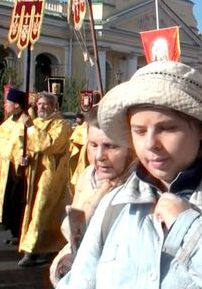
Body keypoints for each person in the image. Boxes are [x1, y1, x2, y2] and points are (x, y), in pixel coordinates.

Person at [56, 61, 202, 288]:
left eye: (166, 128)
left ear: (200, 128)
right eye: (139, 131)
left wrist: (189, 228)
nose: (150, 144)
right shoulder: (114, 204)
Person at [50, 107, 135, 285]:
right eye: (93, 145)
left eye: (110, 146)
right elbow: (76, 237)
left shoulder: (135, 190)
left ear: (130, 147)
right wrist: (65, 260)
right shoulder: (88, 175)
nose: (99, 156)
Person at [16, 92, 72, 267]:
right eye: (39, 104)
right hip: (33, 172)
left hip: (51, 174)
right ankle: (36, 247)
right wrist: (22, 158)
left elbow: (49, 145)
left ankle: (34, 250)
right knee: (31, 210)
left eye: (45, 104)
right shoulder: (34, 123)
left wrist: (31, 128)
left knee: (42, 209)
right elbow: (22, 144)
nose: (41, 107)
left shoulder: (60, 124)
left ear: (54, 106)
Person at [0, 88, 28, 245]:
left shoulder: (25, 121)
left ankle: (18, 231)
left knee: (17, 198)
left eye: (7, 103)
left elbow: (27, 142)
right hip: (5, 165)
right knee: (8, 199)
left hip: (17, 167)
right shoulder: (9, 121)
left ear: (16, 105)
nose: (5, 105)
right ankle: (12, 230)